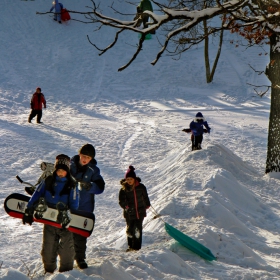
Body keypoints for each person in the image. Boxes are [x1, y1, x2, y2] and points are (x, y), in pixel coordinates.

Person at [22, 154, 79, 273]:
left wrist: (69, 214)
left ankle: (66, 274)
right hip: (49, 220)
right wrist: (29, 209)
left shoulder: (72, 184)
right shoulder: (48, 181)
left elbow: (74, 205)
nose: (61, 173)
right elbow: (36, 195)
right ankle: (49, 272)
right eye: (58, 170)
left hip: (64, 223)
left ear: (67, 171)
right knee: (48, 250)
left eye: (63, 170)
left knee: (67, 251)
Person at [70, 143, 105, 269]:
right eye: (84, 156)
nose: (85, 159)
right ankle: (66, 258)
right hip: (69, 204)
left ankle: (80, 258)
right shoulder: (70, 166)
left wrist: (90, 186)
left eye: (88, 158)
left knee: (80, 234)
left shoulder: (93, 170)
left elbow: (101, 187)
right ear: (79, 154)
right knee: (67, 232)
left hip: (85, 206)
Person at [119, 166, 151, 252]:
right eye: (127, 179)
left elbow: (145, 197)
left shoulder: (141, 187)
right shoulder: (123, 189)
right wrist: (126, 207)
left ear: (134, 179)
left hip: (140, 212)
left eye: (131, 179)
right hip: (129, 213)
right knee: (130, 230)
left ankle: (136, 248)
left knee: (137, 230)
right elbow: (122, 201)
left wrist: (147, 204)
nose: (129, 181)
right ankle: (130, 246)